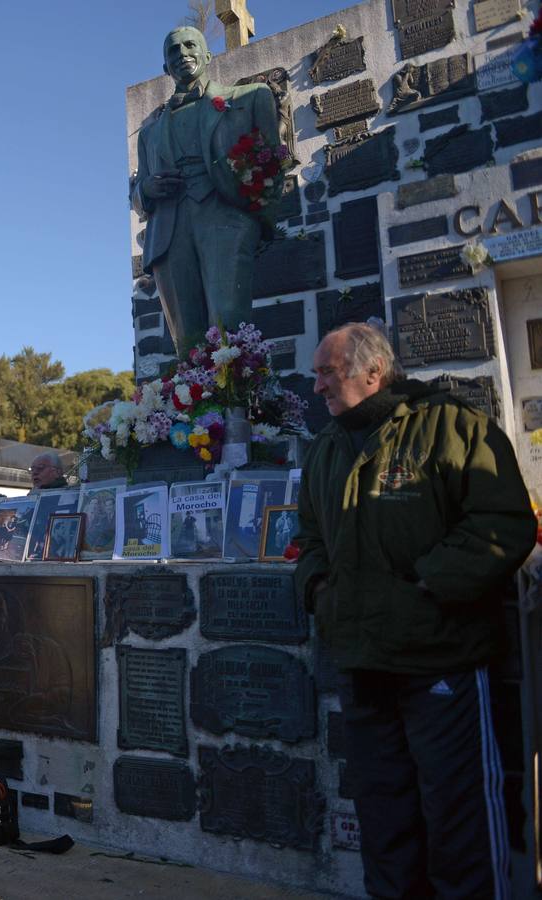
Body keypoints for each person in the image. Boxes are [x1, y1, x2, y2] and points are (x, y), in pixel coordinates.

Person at [294, 323, 535, 899]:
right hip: (362, 663)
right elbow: (310, 540)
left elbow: (502, 524)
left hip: (440, 660)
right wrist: (319, 591)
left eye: (328, 370)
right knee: (385, 820)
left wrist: (426, 586)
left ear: (372, 372)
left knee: (460, 819)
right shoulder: (326, 449)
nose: (317, 384)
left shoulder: (452, 427)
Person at [129, 25, 281, 349]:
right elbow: (137, 190)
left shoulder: (250, 98)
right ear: (165, 67)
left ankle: (236, 399)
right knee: (187, 340)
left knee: (229, 323)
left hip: (225, 217)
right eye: (173, 50)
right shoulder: (149, 133)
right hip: (170, 231)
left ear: (207, 55)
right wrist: (147, 191)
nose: (182, 54)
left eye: (189, 46)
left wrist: (256, 213)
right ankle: (195, 399)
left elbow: (274, 159)